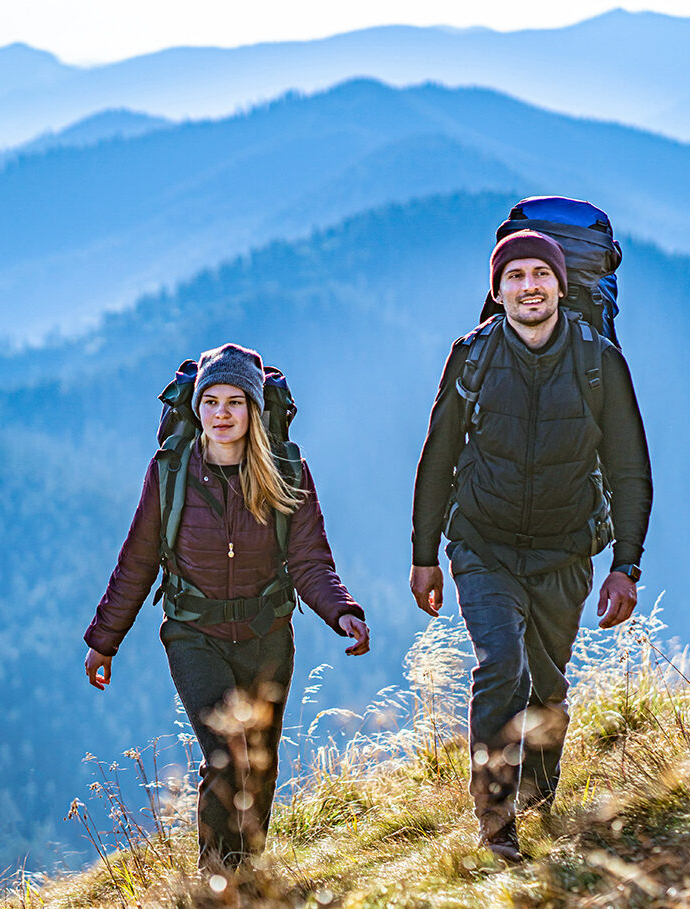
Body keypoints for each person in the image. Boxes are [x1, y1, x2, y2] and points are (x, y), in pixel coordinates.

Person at [410, 230, 652, 862]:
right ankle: (496, 826)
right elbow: (438, 456)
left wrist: (626, 563)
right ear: (497, 291)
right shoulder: (472, 357)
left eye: (538, 274)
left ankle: (540, 804)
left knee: (547, 689)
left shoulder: (600, 362)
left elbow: (629, 467)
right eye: (513, 277)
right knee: (501, 667)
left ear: (560, 284)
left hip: (565, 553)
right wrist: (424, 553)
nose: (528, 286)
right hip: (482, 546)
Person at [83, 343, 370, 869]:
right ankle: (216, 876)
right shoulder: (171, 473)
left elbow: (310, 559)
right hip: (194, 635)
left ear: (254, 409)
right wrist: (105, 640)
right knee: (224, 754)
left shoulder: (286, 471)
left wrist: (342, 610)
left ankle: (248, 871)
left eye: (235, 402)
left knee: (257, 763)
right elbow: (138, 560)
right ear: (195, 408)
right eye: (210, 400)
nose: (221, 413)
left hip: (267, 636)